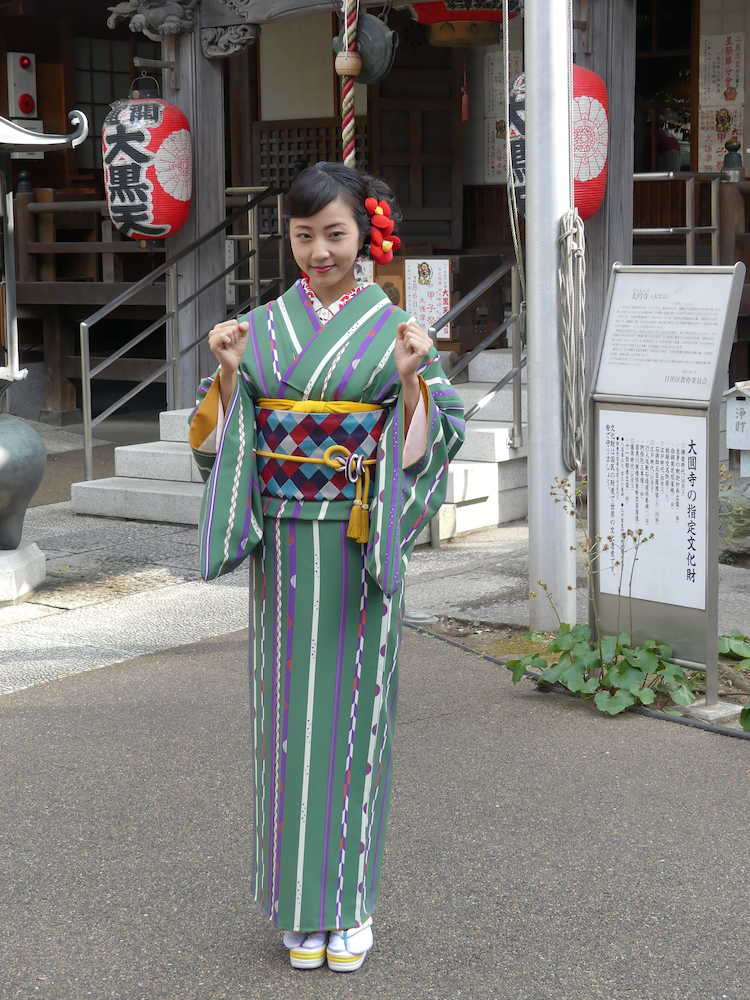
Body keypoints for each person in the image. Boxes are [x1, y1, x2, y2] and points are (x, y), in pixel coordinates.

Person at [188, 162, 465, 973]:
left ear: (365, 234)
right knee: (287, 723)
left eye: (334, 234)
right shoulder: (261, 328)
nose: (317, 251)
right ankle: (297, 910)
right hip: (284, 545)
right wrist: (232, 373)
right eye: (303, 235)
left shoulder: (398, 330)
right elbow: (215, 442)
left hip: (355, 539)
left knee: (354, 719)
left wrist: (413, 384)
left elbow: (438, 437)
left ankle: (349, 904)